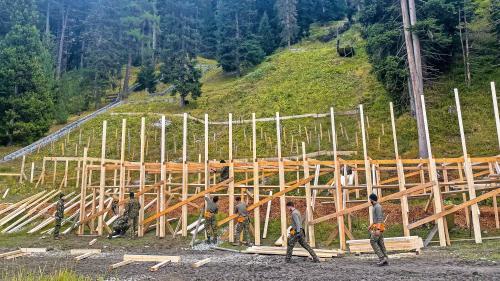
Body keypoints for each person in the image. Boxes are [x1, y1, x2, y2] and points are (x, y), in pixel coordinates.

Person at [369, 193, 388, 266]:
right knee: (380, 243)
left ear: (371, 199)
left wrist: (378, 229)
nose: (369, 200)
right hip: (378, 227)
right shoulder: (375, 207)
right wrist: (371, 226)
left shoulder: (377, 207)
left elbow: (379, 219)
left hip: (378, 228)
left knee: (372, 241)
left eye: (370, 199)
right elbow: (375, 219)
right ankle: (385, 259)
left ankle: (382, 258)